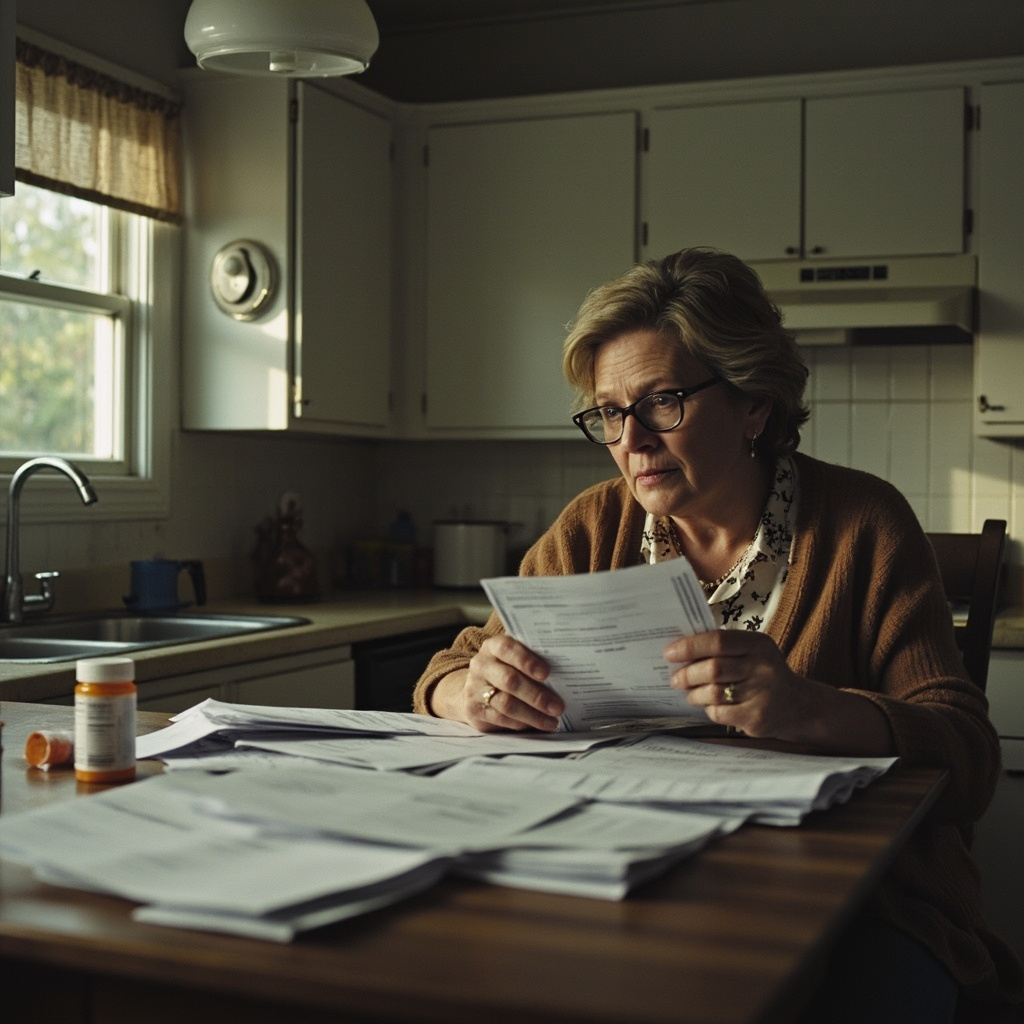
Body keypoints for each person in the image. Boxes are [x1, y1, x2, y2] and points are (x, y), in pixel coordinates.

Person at [412, 247, 1022, 1021]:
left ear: (754, 406)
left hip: (862, 904)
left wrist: (810, 708)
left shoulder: (865, 525)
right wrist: (472, 692)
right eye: (608, 412)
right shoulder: (592, 526)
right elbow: (445, 672)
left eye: (662, 401)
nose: (629, 440)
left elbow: (968, 757)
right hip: (624, 880)